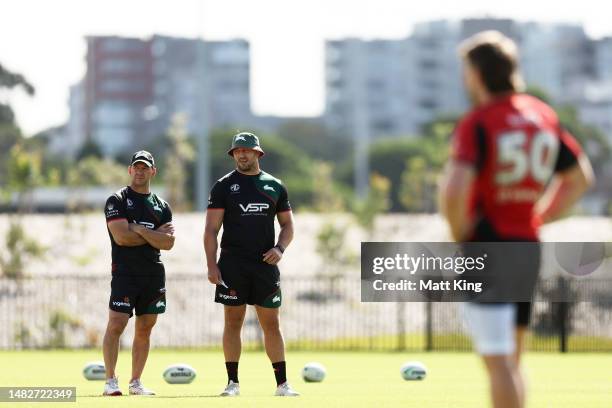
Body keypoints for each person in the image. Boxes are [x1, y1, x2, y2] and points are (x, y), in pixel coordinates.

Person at [439, 31, 594, 408]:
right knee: (512, 360)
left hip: (488, 244)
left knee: (498, 363)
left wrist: (462, 235)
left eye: (465, 70)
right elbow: (579, 178)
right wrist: (538, 216)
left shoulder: (480, 121)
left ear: (476, 73)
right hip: (527, 246)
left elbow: (454, 192)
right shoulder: (542, 115)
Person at [204, 132, 299, 397]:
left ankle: (282, 385)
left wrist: (280, 248)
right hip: (232, 265)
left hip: (265, 266)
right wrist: (212, 265)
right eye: (237, 151)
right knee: (233, 322)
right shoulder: (223, 186)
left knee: (271, 323)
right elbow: (211, 230)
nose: (242, 155)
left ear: (258, 153)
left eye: (247, 150)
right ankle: (232, 383)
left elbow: (288, 225)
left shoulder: (275, 185)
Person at [102, 150, 175, 396]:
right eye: (137, 167)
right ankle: (111, 381)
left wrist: (139, 230)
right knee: (117, 324)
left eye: (145, 167)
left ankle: (135, 382)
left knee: (145, 328)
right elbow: (122, 237)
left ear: (153, 171)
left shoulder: (162, 206)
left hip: (153, 273)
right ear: (130, 170)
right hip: (125, 272)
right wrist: (154, 234)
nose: (140, 171)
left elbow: (168, 244)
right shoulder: (117, 200)